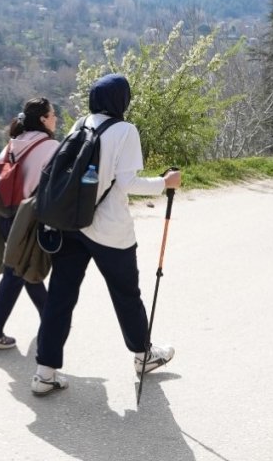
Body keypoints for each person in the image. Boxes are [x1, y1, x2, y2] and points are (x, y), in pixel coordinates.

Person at [32, 73, 181, 396]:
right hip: (110, 230)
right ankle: (143, 356)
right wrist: (164, 183)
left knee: (60, 297)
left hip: (72, 225)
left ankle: (45, 373)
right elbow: (127, 183)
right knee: (126, 294)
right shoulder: (125, 131)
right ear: (120, 100)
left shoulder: (80, 124)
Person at [0, 97, 56, 350]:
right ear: (43, 119)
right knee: (17, 271)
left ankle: (50, 317)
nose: (56, 118)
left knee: (23, 266)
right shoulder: (51, 146)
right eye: (53, 114)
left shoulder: (11, 144)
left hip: (4, 215)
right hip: (28, 218)